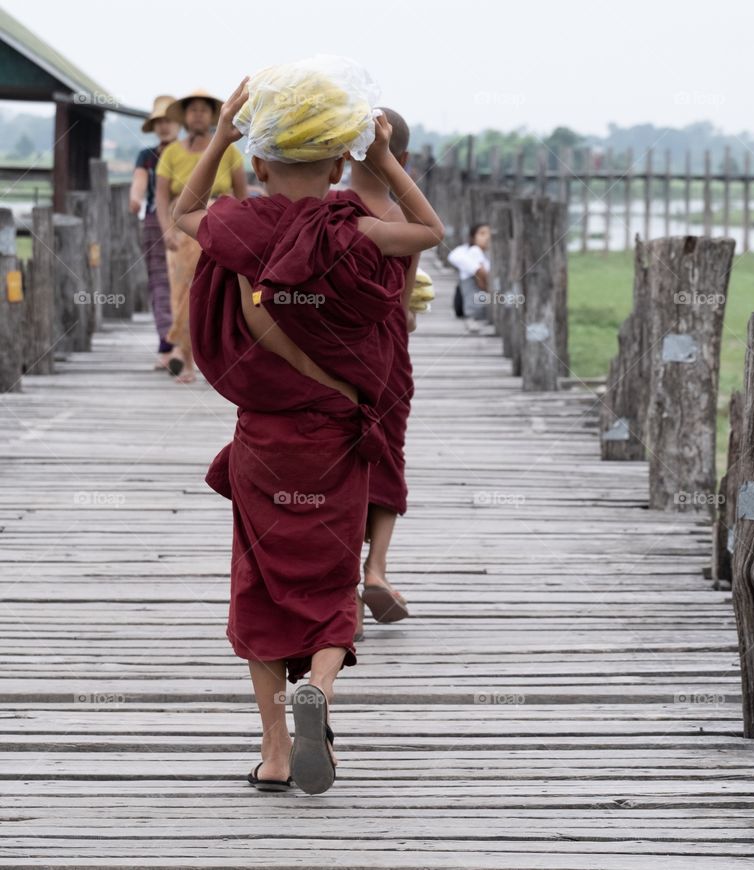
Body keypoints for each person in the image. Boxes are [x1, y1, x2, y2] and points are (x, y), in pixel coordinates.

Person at [173, 73, 444, 796]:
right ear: (336, 167)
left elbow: (182, 210)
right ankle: (320, 682)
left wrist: (224, 128)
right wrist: (384, 159)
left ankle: (274, 753)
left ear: (258, 164)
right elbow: (430, 233)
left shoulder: (235, 229)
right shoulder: (352, 231)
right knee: (329, 579)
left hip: (265, 444)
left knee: (260, 584)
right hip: (336, 439)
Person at [347, 107, 417, 639]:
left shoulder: (328, 212)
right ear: (403, 160)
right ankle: (377, 569)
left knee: (343, 455)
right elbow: (406, 295)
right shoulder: (403, 221)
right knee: (386, 451)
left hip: (339, 351)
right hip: (389, 346)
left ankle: (341, 580)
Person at [156, 88, 247, 383]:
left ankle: (218, 360)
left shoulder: (228, 151)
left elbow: (241, 195)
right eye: (192, 110)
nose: (198, 115)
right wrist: (166, 229)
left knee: (216, 291)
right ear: (185, 117)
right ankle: (188, 361)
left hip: (218, 222)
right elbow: (160, 197)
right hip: (180, 226)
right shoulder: (171, 152)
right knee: (182, 293)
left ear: (211, 116)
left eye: (203, 110)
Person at [130, 95, 179, 372]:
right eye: (159, 122)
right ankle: (167, 345)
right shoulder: (147, 156)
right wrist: (135, 198)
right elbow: (138, 182)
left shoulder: (192, 153)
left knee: (189, 284)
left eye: (169, 120)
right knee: (160, 282)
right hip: (154, 223)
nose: (164, 126)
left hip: (188, 222)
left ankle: (187, 347)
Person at [448, 223, 491, 332]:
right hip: (475, 311)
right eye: (482, 234)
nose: (487, 237)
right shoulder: (473, 251)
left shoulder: (486, 254)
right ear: (473, 237)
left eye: (489, 234)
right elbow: (481, 275)